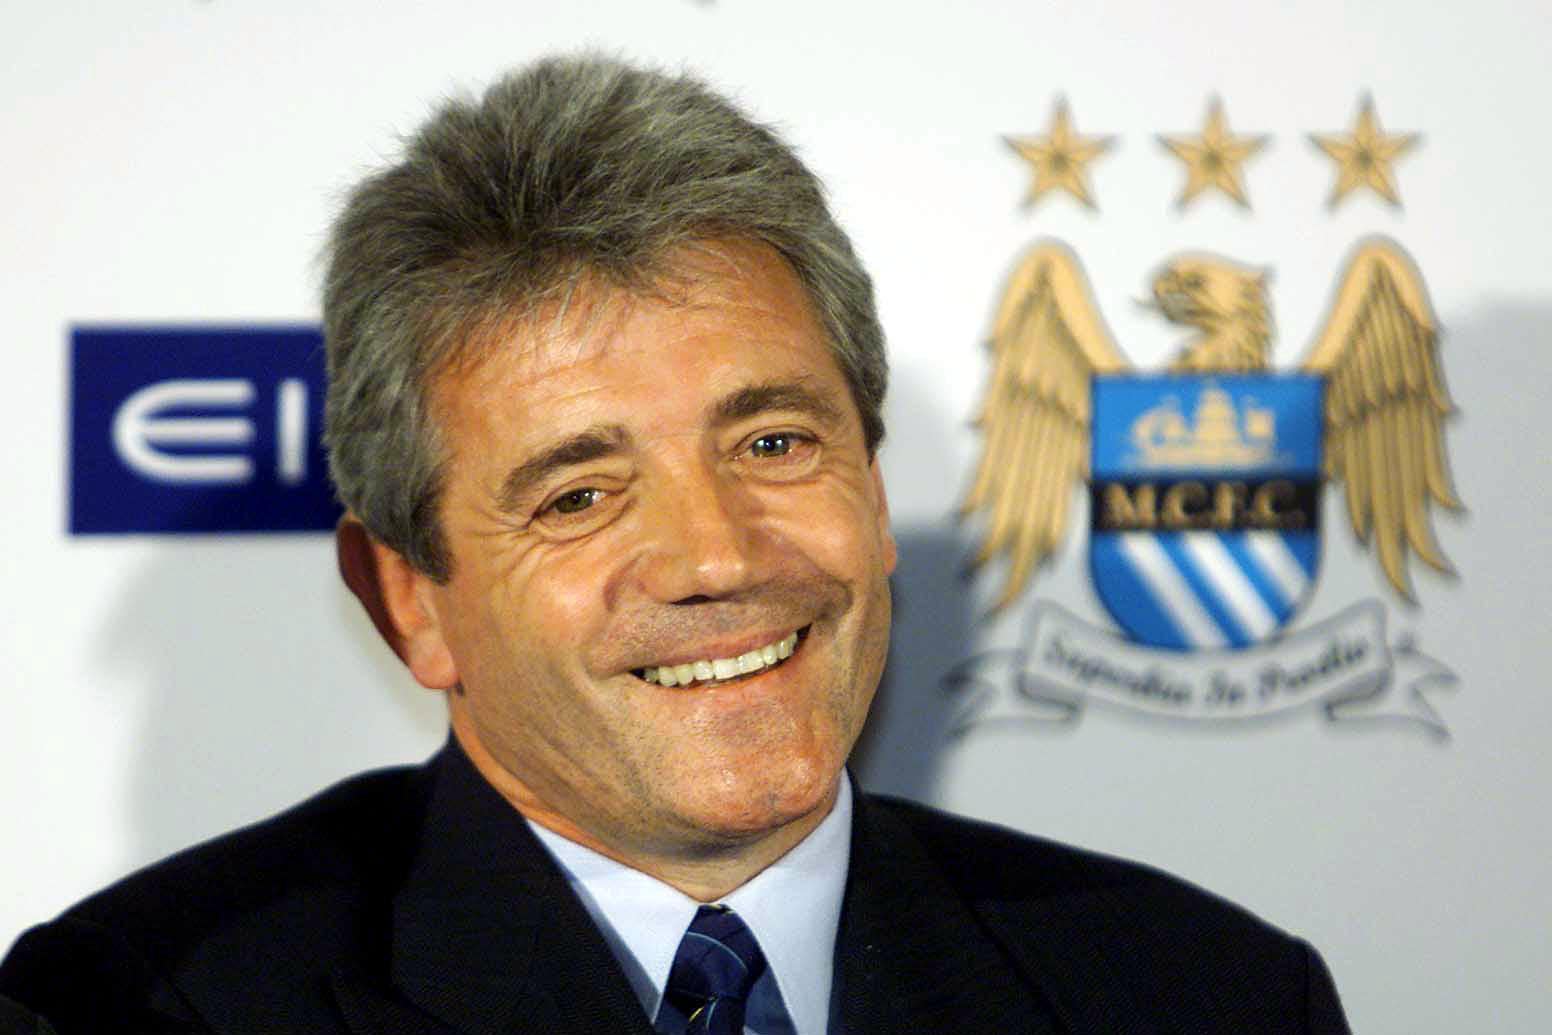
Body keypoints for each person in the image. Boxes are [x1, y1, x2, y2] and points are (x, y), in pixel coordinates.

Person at [0, 55, 1350, 1034]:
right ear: (410, 598)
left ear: (876, 500)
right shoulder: (140, 1006)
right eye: (578, 494)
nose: (717, 556)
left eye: (773, 444)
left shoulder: (1205, 993)